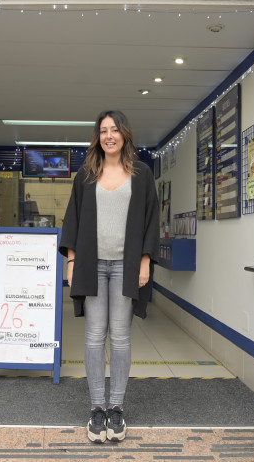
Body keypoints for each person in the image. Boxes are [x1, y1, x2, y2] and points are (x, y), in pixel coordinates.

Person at [59, 110, 159, 443]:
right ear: (97, 137)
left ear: (125, 135)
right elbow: (72, 217)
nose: (109, 135)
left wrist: (145, 260)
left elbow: (151, 219)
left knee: (120, 336)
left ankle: (116, 408)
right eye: (103, 130)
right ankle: (96, 409)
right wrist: (71, 261)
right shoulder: (86, 174)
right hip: (92, 264)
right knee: (93, 335)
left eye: (115, 130)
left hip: (126, 265)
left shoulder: (142, 174)